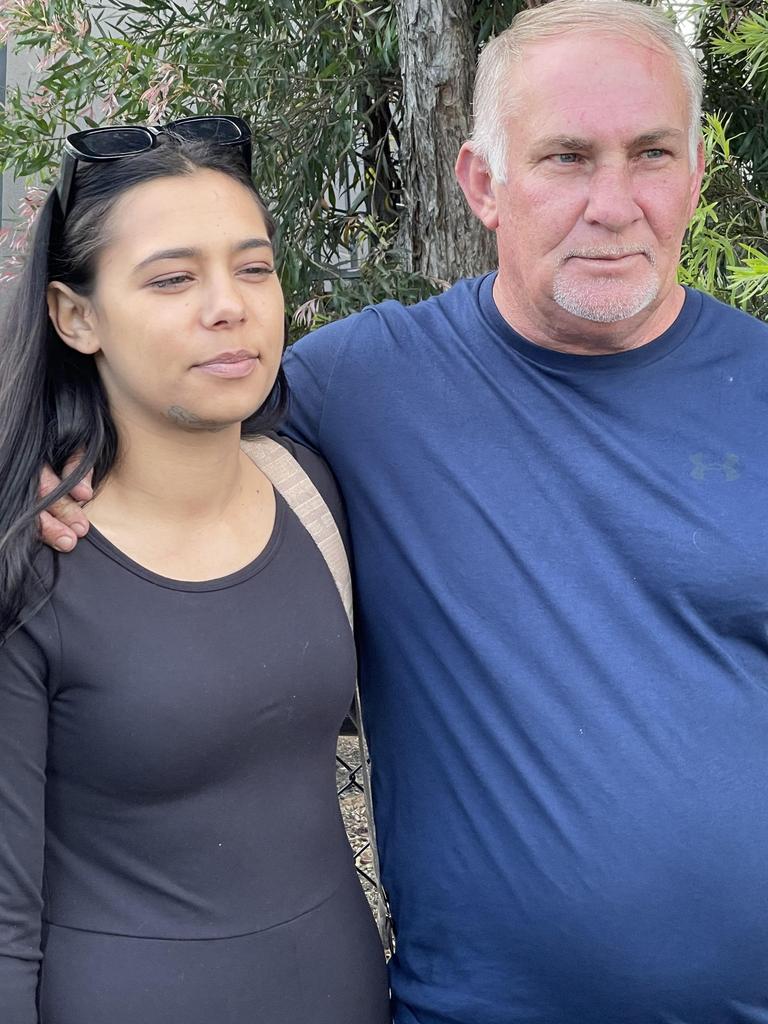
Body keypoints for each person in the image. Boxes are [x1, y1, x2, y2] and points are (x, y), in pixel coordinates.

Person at [39, 1, 768, 1022]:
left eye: (652, 153)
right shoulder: (361, 385)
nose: (614, 201)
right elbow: (174, 396)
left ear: (695, 174)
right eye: (565, 157)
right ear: (482, 183)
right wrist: (55, 453)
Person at [0, 120, 390, 1024]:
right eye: (173, 278)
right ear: (75, 315)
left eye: (253, 268)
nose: (229, 305)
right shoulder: (34, 561)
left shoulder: (314, 495)